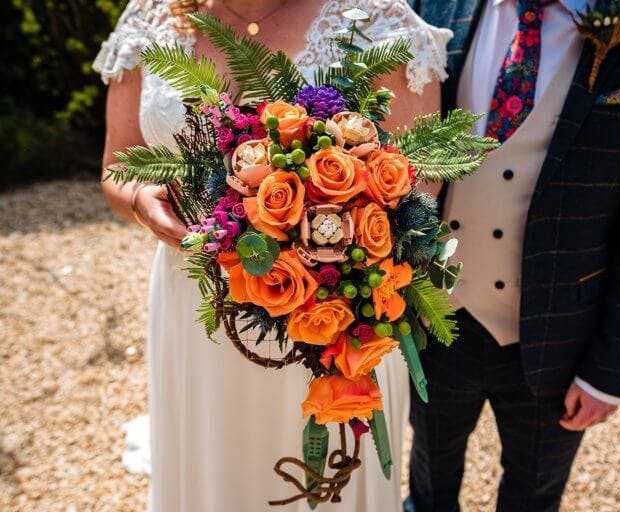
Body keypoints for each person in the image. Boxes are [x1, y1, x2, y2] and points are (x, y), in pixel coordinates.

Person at [94, 1, 452, 510]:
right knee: (212, 463)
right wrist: (137, 202)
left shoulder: (380, 24)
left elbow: (418, 191)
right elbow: (116, 168)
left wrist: (326, 240)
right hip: (194, 306)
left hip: (329, 316)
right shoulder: (150, 17)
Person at [405, 0, 620, 510]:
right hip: (437, 318)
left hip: (558, 339)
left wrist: (611, 373)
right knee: (429, 483)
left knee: (534, 494)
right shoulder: (435, 5)